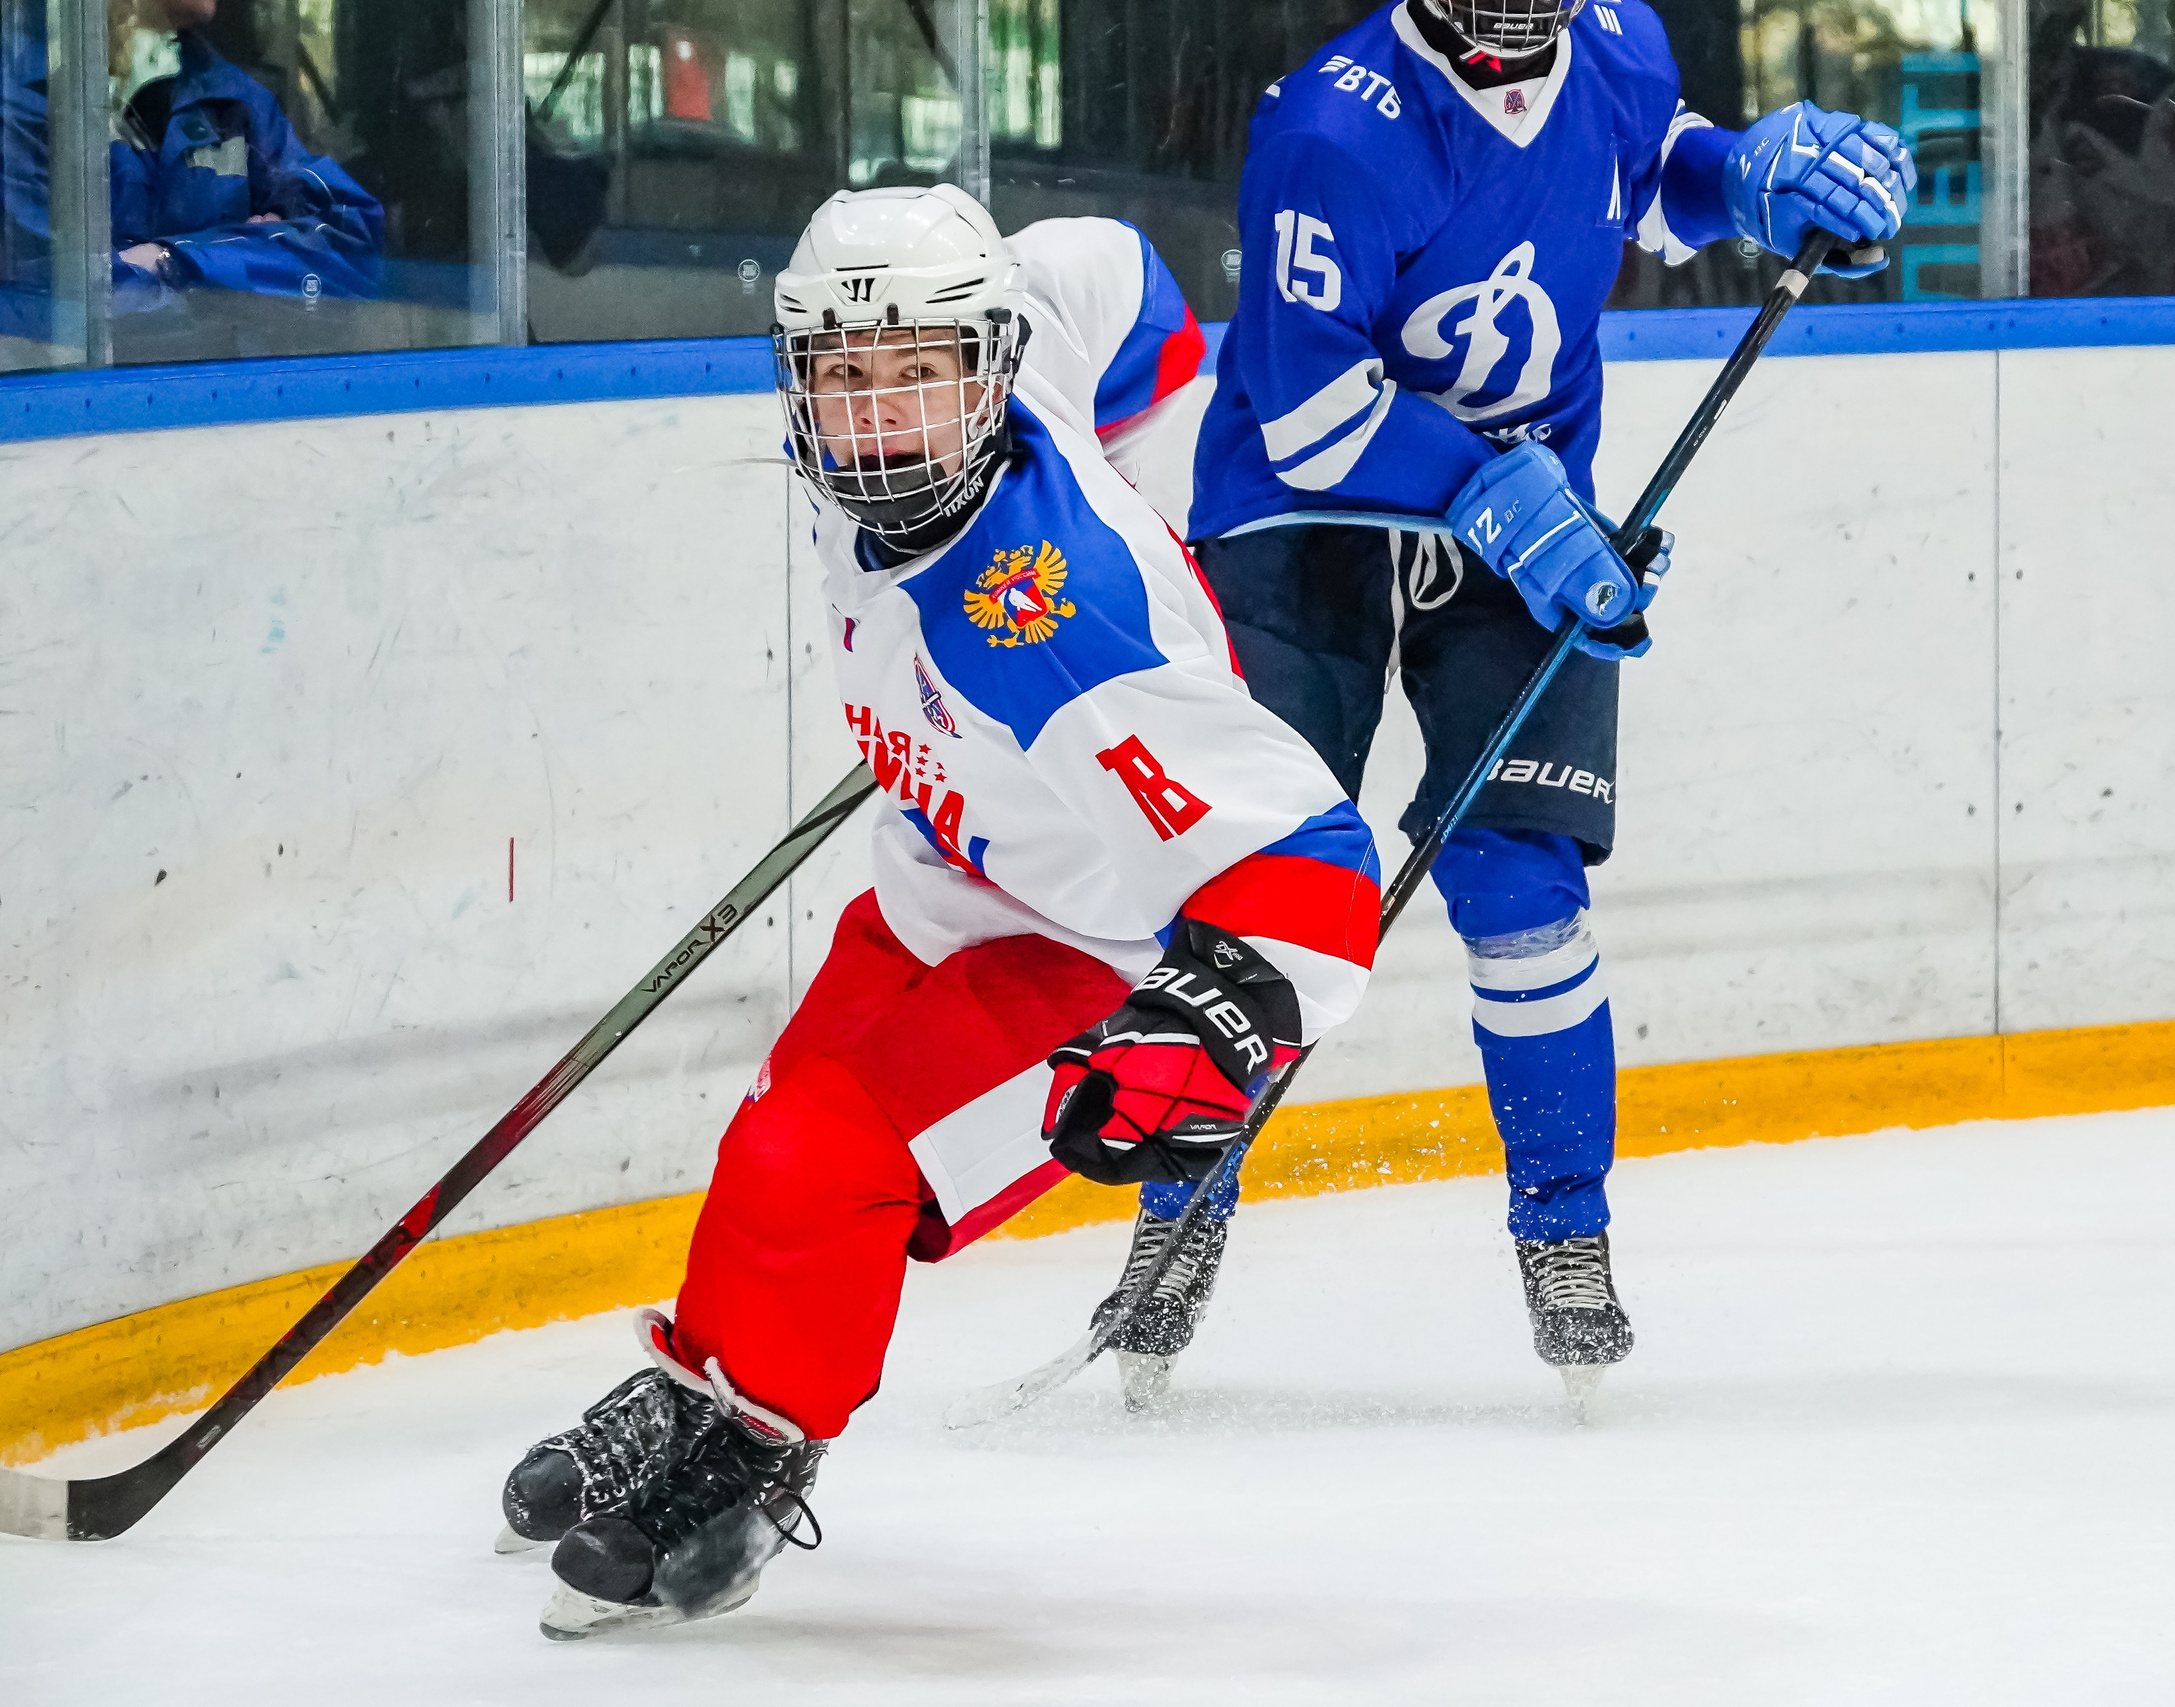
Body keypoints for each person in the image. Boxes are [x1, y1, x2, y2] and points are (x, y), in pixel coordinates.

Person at [496, 184, 1380, 1640]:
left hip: (1093, 943)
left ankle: (762, 1435)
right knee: (777, 1120)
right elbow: (1126, 276)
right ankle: (705, 1369)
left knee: (822, 1153)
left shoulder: (1061, 633)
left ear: (976, 361)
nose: (888, 419)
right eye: (850, 379)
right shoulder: (1009, 333)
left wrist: (1212, 1028)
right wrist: (1137, 459)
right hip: (947, 881)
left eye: (919, 378)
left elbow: (1318, 865)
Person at [1093, 0, 1913, 1401]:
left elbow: (1652, 173)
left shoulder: (1618, 44)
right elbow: (1309, 410)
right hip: (1305, 515)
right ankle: (1181, 1210)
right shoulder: (1333, 128)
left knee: (1520, 873)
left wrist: (1749, 174)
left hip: (1527, 508)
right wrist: (1492, 490)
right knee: (1255, 892)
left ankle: (1565, 1232)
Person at [107, 0, 381, 310]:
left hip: (232, 354)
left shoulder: (237, 100)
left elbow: (351, 244)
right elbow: (58, 289)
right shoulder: (53, 101)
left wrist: (173, 261)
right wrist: (256, 248)